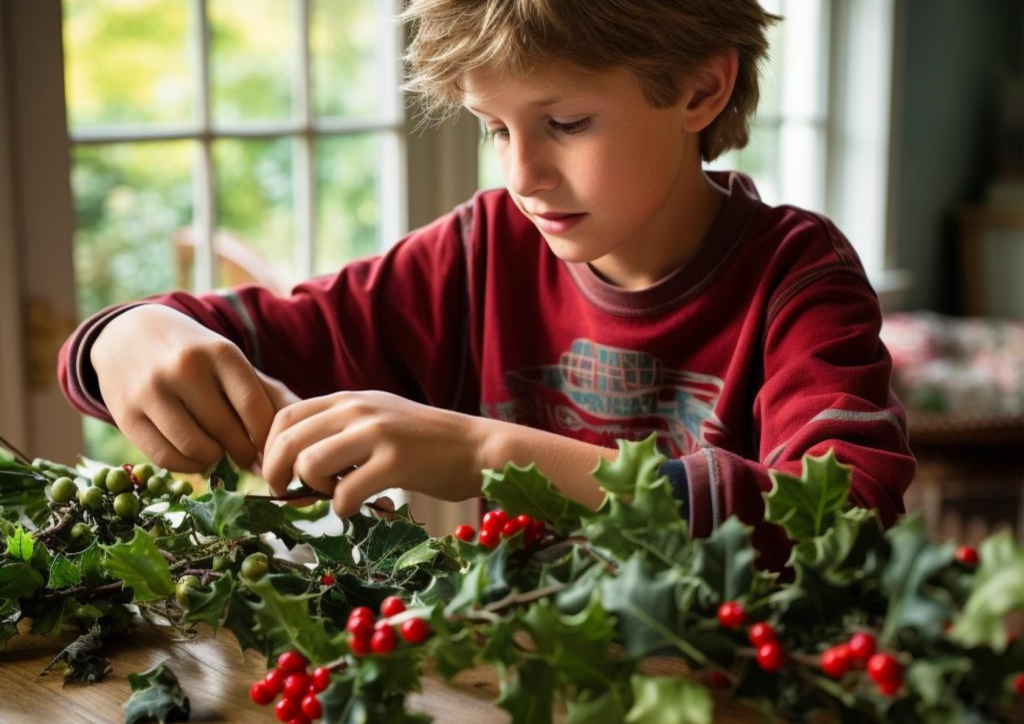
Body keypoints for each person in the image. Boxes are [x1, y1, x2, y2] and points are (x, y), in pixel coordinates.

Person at [58, 0, 915, 571]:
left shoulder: (799, 275)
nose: (522, 173)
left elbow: (841, 521)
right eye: (494, 128)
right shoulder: (478, 252)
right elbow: (250, 332)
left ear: (701, 87)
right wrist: (124, 337)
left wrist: (487, 453)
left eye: (566, 122)